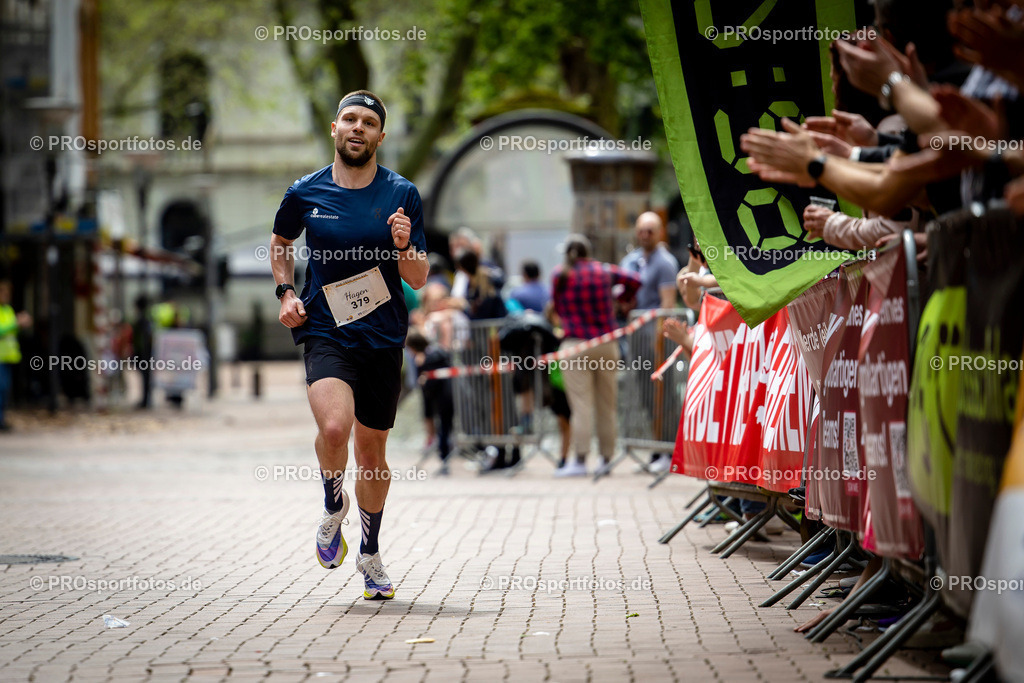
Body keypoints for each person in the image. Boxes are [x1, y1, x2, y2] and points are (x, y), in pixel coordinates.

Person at [270, 89, 428, 600]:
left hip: (382, 337)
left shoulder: (402, 193)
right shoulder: (305, 191)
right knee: (335, 427)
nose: (358, 127)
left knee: (372, 450)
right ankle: (332, 503)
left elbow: (418, 277)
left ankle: (370, 551)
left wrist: (403, 245)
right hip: (325, 329)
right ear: (334, 128)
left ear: (380, 135)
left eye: (368, 122)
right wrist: (285, 291)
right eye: (349, 119)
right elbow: (281, 242)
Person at [551, 234, 640, 477]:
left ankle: (580, 460)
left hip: (575, 344)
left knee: (581, 405)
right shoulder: (604, 271)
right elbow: (635, 280)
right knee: (607, 404)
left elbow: (556, 306)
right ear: (588, 252)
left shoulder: (560, 274)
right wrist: (621, 300)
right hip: (606, 342)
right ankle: (606, 459)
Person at [620, 212, 680, 472]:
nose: (645, 235)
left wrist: (660, 341)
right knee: (646, 395)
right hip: (635, 337)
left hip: (655, 339)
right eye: (641, 230)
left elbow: (667, 304)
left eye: (650, 230)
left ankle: (668, 450)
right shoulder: (630, 261)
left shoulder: (665, 262)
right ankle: (657, 450)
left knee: (662, 396)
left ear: (659, 232)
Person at [406, 328, 454, 476]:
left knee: (444, 429)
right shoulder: (435, 352)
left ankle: (445, 460)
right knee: (444, 428)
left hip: (442, 398)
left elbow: (428, 382)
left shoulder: (427, 358)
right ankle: (444, 459)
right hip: (443, 398)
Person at [0, 278, 31, 431]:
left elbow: (11, 331)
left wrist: (21, 324)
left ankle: (2, 419)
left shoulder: (7, 310)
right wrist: (16, 323)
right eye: (3, 293)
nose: (6, 296)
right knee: (1, 388)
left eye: (8, 293)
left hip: (7, 357)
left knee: (5, 389)